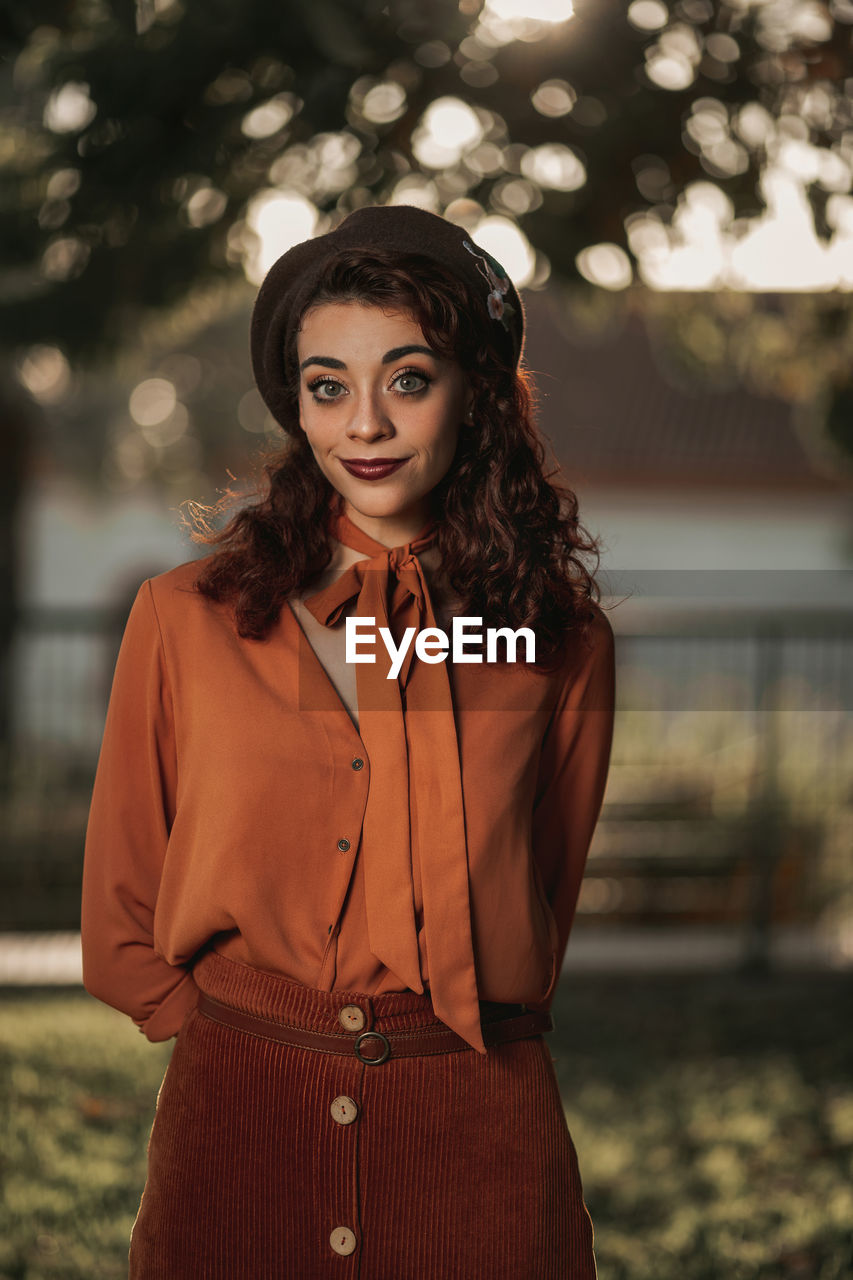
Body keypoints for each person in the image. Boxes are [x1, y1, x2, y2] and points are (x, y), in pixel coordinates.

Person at [80, 203, 616, 1279]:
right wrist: (237, 1034)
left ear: (473, 394)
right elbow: (121, 896)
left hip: (476, 1118)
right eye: (329, 386)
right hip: (237, 1119)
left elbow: (539, 890)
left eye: (407, 379)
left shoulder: (556, 641)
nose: (363, 424)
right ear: (297, 404)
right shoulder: (186, 614)